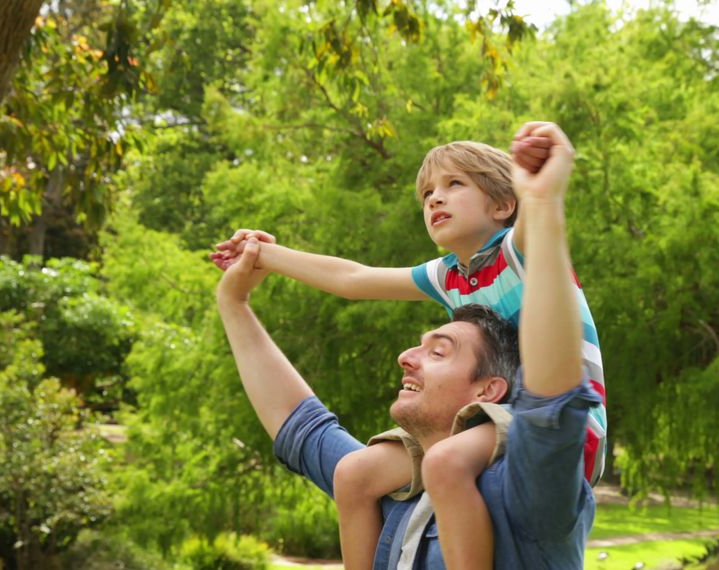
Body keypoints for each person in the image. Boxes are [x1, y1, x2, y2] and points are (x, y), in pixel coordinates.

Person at [210, 125, 606, 569]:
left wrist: (539, 184)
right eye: (427, 193)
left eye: (455, 184)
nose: (435, 198)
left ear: (502, 205)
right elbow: (354, 280)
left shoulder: (518, 251)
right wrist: (261, 255)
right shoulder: (449, 276)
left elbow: (537, 217)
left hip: (557, 428)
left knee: (444, 464)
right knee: (355, 473)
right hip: (480, 422)